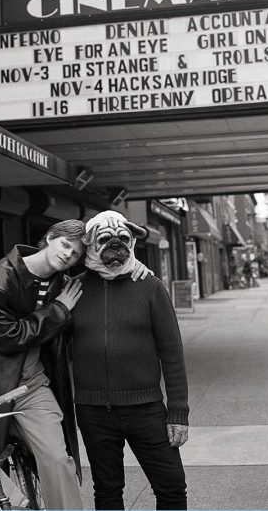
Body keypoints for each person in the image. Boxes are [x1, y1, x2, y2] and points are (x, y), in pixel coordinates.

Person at [0, 219, 150, 510]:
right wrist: (59, 309)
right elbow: (8, 337)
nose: (68, 255)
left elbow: (104, 277)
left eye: (75, 254)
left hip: (33, 384)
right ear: (49, 238)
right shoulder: (0, 279)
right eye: (65, 245)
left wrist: (136, 268)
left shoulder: (64, 282)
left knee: (58, 460)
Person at [72, 210, 189, 510]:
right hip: (93, 410)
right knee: (108, 492)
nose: (115, 245)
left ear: (133, 242)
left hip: (146, 408)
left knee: (172, 486)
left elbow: (172, 353)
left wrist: (178, 411)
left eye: (123, 239)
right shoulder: (72, 288)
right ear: (89, 244)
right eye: (104, 240)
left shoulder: (150, 286)